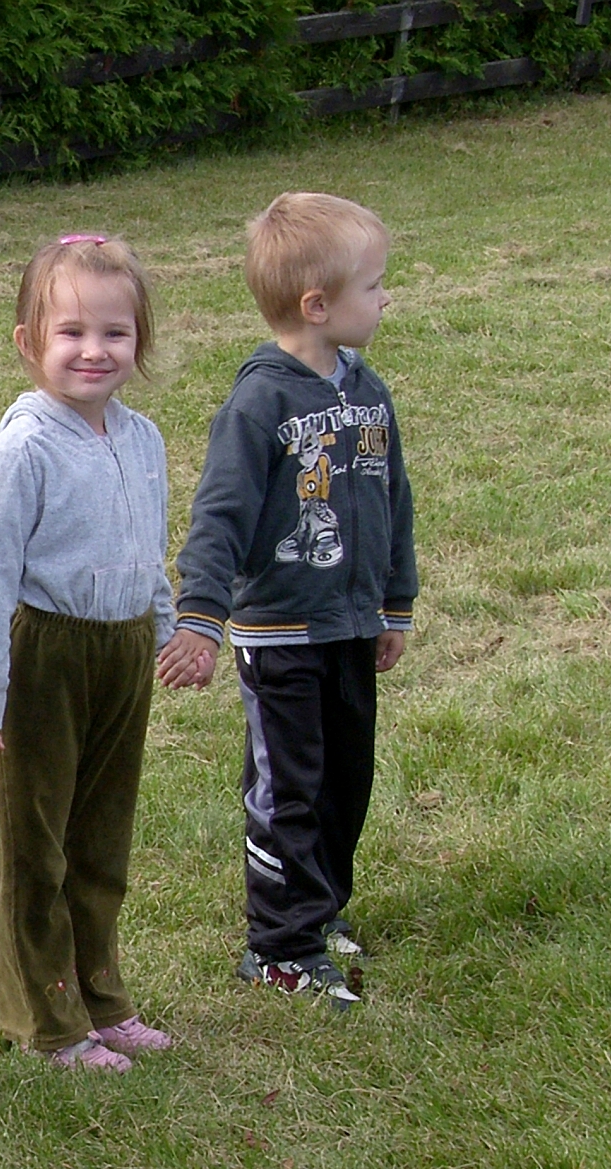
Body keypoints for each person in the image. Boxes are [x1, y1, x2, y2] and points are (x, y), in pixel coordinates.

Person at [161, 191, 418, 1010]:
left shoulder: (367, 392)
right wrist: (201, 616)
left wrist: (395, 603)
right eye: (373, 285)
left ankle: (321, 909)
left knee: (346, 777)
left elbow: (393, 501)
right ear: (317, 305)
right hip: (281, 636)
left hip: (351, 623)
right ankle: (278, 946)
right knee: (289, 789)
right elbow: (220, 516)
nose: (385, 298)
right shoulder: (261, 403)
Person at [0, 233, 191, 1072]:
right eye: (71, 332)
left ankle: (102, 994)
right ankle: (47, 1017)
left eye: (115, 333)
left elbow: (147, 545)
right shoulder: (24, 448)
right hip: (45, 655)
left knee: (102, 834)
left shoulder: (143, 439)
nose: (94, 350)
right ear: (29, 342)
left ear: (140, 341)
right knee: (41, 842)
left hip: (121, 650)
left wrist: (163, 626)